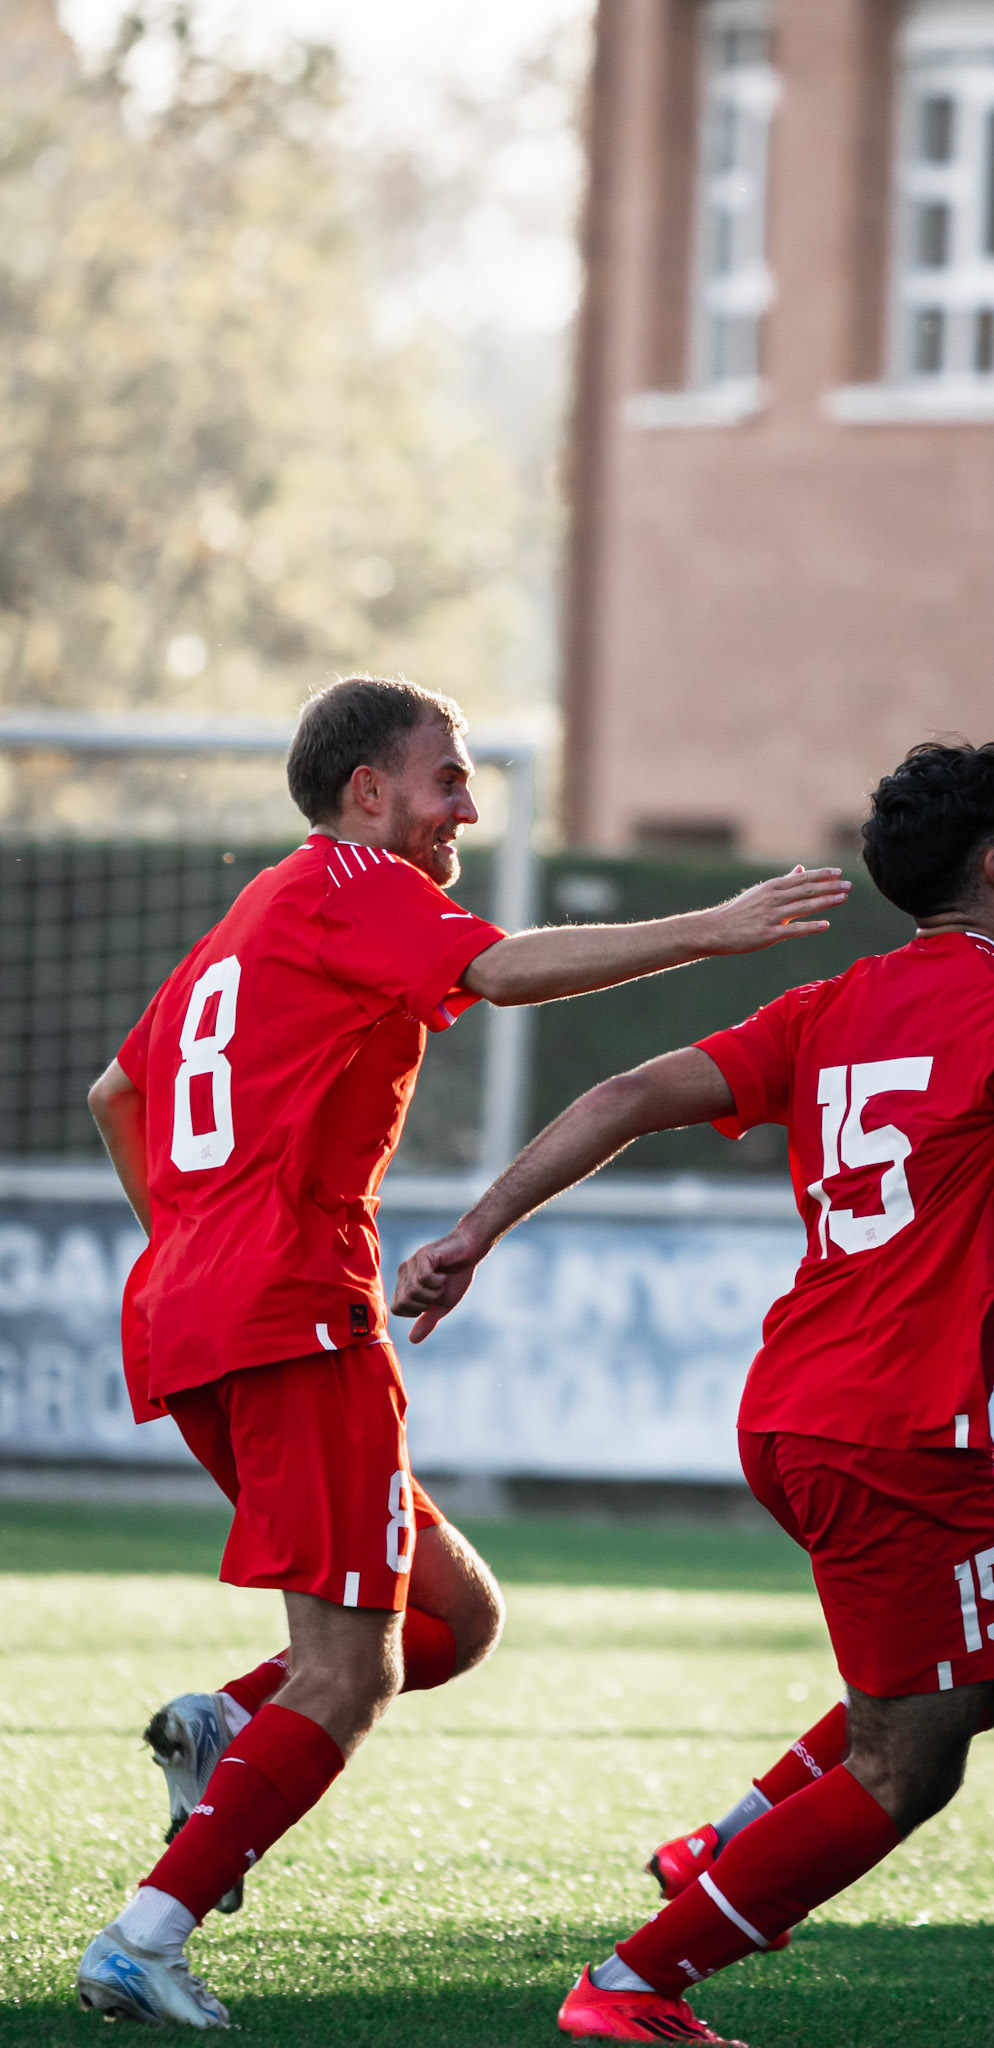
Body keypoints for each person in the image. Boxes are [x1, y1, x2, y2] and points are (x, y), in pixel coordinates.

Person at [392, 738, 994, 2048]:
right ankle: (632, 1987)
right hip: (893, 1433)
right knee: (911, 1761)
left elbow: (620, 1093)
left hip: (791, 1412)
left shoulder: (838, 1003)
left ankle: (728, 1851)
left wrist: (470, 1233)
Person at [75, 673, 850, 2030]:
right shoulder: (355, 882)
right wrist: (718, 932)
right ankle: (148, 1932)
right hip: (289, 1307)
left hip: (196, 1312)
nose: (466, 806)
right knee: (353, 1668)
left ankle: (221, 1730)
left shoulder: (263, 909)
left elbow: (116, 1092)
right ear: (367, 793)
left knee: (454, 1617)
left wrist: (199, 1244)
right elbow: (499, 971)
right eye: (447, 778)